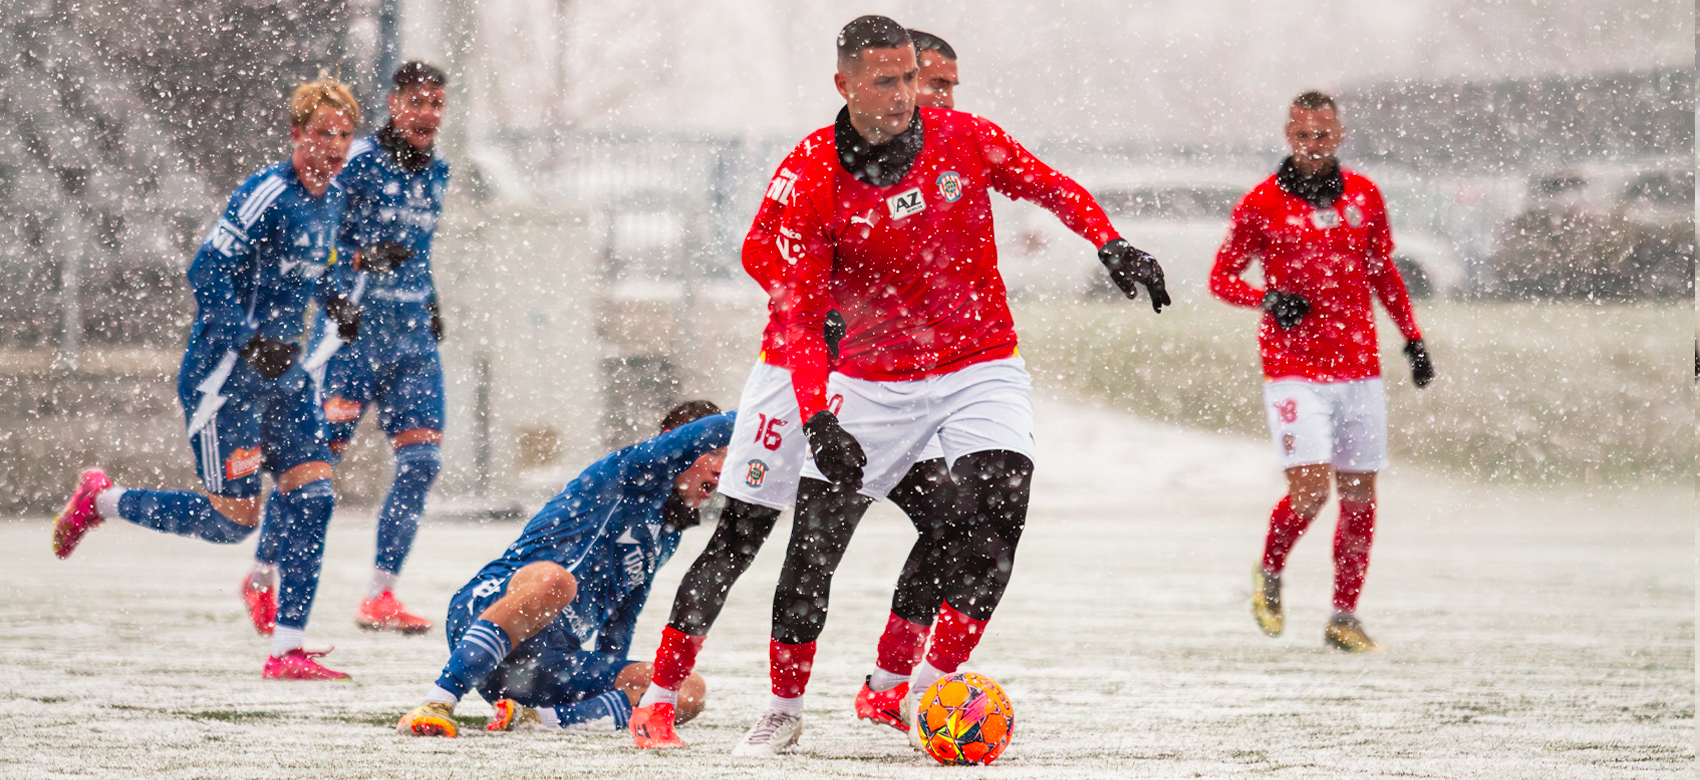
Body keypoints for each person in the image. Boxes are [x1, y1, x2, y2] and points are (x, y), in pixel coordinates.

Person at [732, 16, 1169, 755]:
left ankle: (931, 689)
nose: (905, 94)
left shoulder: (961, 138)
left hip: (979, 363)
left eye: (910, 76)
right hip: (870, 382)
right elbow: (801, 314)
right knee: (812, 551)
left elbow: (1050, 186)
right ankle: (784, 706)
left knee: (998, 514)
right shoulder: (813, 174)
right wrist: (818, 417)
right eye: (885, 80)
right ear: (843, 84)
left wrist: (1110, 241)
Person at [627, 27, 976, 752]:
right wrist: (816, 309)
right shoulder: (821, 162)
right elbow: (761, 248)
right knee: (748, 540)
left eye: (940, 86)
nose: (930, 99)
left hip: (879, 389)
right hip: (796, 384)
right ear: (862, 83)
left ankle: (885, 688)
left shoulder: (940, 162)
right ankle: (666, 701)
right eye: (921, 82)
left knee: (956, 524)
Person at [50, 77, 366, 681]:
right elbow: (206, 271)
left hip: (287, 376)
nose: (333, 147)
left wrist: (335, 299)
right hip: (228, 380)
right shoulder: (265, 193)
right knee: (231, 523)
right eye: (322, 134)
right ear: (296, 135)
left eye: (344, 136)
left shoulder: (332, 197)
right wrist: (248, 340)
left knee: (315, 497)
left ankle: (286, 651)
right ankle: (103, 500)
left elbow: (312, 265)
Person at [1208, 90, 1435, 653]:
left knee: (1360, 494)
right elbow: (1221, 277)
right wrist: (1268, 298)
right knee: (1310, 490)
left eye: (1323, 136)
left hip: (1359, 367)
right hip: (1294, 369)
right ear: (1290, 135)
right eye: (1304, 135)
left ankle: (1343, 617)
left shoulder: (1364, 196)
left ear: (1339, 137)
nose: (1313, 146)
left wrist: (1412, 338)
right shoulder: (1261, 203)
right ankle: (1271, 570)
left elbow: (1384, 274)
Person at [242, 61, 452, 638]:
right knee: (314, 468)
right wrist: (355, 262)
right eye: (418, 101)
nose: (428, 113)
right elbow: (314, 231)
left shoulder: (438, 173)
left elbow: (418, 246)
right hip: (352, 337)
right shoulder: (355, 160)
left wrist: (429, 298)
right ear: (394, 104)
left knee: (423, 463)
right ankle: (262, 573)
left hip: (412, 342)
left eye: (437, 103)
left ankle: (380, 595)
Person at [396, 404, 732, 737]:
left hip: (547, 667)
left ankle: (538, 721)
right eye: (713, 453)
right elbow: (703, 432)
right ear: (674, 445)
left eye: (728, 458)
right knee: (557, 582)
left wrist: (611, 682)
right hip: (487, 611)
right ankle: (437, 702)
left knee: (685, 687)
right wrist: (771, 410)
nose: (721, 470)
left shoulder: (667, 533)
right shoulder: (630, 469)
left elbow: (622, 618)